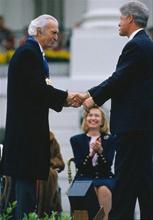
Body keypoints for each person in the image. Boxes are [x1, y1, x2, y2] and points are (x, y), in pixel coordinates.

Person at [76, 1, 153, 219]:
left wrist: (89, 98)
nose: (118, 23)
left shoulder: (136, 45)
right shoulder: (146, 44)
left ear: (130, 18)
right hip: (142, 126)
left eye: (120, 19)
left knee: (126, 181)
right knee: (143, 181)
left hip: (132, 126)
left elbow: (118, 80)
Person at [1, 14, 80, 220]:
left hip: (26, 135)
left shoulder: (31, 52)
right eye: (53, 32)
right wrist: (66, 98)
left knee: (24, 192)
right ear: (38, 32)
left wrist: (62, 98)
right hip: (26, 137)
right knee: (25, 195)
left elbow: (37, 90)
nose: (57, 36)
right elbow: (38, 89)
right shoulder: (29, 53)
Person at [70, 107, 116, 220]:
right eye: (90, 115)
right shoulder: (76, 140)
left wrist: (100, 152)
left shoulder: (110, 139)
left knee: (103, 190)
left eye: (96, 115)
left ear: (102, 121)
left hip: (104, 176)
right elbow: (80, 167)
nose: (93, 118)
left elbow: (107, 165)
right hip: (83, 177)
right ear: (85, 119)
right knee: (82, 191)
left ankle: (102, 218)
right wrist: (90, 154)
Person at [37, 131, 65, 217]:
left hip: (46, 177)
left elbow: (60, 162)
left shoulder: (51, 140)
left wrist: (48, 163)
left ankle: (45, 213)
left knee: (48, 175)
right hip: (27, 173)